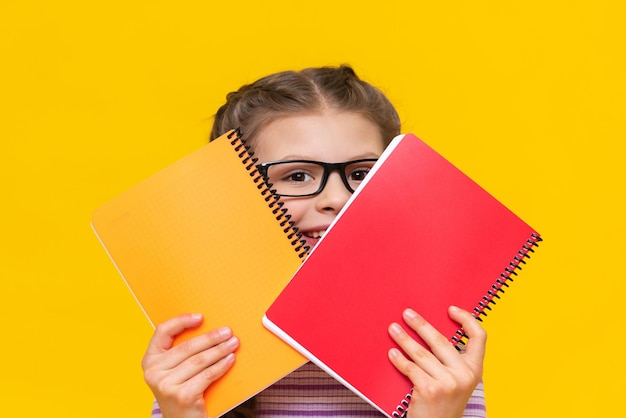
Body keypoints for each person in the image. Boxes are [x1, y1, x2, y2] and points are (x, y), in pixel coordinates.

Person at [141, 65, 487, 418]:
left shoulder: (429, 347)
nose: (337, 198)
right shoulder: (203, 349)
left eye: (361, 173)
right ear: (237, 188)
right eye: (298, 175)